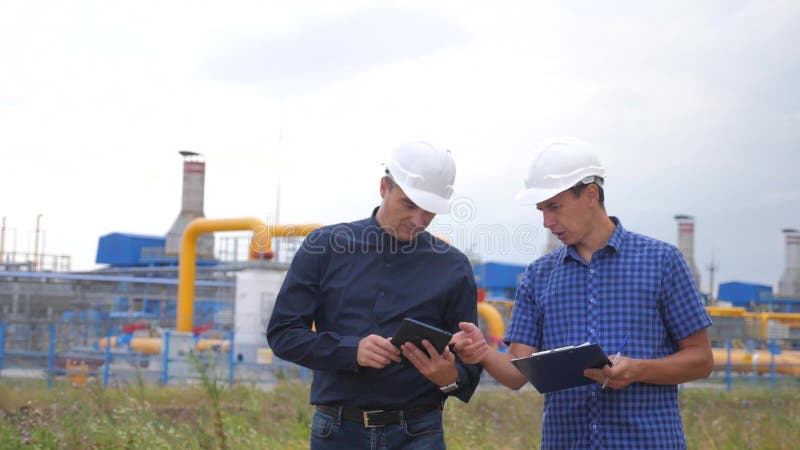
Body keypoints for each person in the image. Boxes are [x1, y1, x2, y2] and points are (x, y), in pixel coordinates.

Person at [453, 137, 713, 449]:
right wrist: (483, 352)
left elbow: (701, 360)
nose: (548, 222)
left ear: (591, 194)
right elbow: (516, 374)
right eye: (542, 210)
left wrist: (639, 369)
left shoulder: (662, 262)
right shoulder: (538, 276)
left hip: (648, 441)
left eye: (554, 207)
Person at [267, 141, 482, 450]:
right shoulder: (323, 247)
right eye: (409, 204)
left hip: (419, 433)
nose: (419, 220)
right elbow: (283, 334)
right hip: (337, 433)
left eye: (430, 211)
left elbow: (469, 366)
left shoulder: (454, 268)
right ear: (384, 187)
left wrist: (449, 376)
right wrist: (351, 351)